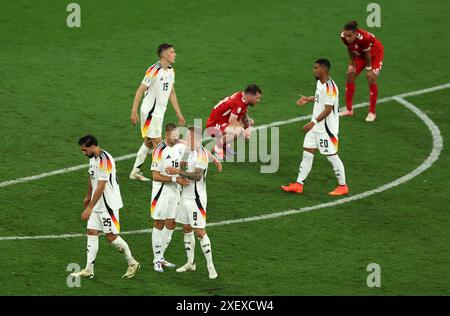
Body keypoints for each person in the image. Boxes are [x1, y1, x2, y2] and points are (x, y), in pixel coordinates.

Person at [71, 135, 140, 279]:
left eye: (84, 150)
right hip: (97, 203)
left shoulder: (105, 160)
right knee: (91, 232)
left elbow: (101, 186)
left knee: (111, 237)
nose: (83, 153)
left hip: (108, 205)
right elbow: (92, 177)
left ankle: (132, 263)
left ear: (92, 147)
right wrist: (87, 196)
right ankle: (89, 269)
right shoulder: (93, 159)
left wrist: (89, 208)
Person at [281, 59, 349, 196]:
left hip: (326, 130)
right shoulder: (320, 83)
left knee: (332, 156)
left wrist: (313, 122)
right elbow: (319, 97)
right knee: (307, 153)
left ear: (324, 69)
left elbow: (328, 109)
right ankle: (299, 184)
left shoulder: (331, 88)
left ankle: (343, 186)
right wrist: (308, 99)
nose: (314, 70)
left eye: (316, 68)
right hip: (316, 128)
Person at [166, 127, 218, 279]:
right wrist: (181, 173)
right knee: (187, 228)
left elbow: (197, 176)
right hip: (184, 197)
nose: (187, 140)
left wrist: (178, 173)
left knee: (200, 232)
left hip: (196, 199)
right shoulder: (188, 151)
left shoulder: (201, 154)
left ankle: (210, 266)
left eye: (190, 138)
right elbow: (183, 165)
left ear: (197, 139)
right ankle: (190, 263)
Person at [129, 43, 185, 181]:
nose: (175, 54)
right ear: (164, 55)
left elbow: (171, 92)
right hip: (150, 114)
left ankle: (135, 172)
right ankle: (166, 173)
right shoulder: (153, 70)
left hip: (159, 113)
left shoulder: (171, 70)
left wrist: (178, 112)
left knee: (148, 142)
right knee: (159, 144)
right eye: (172, 52)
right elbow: (140, 90)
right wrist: (134, 111)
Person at [149, 123, 189, 272]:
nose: (176, 139)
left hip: (175, 191)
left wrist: (182, 167)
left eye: (177, 136)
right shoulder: (159, 150)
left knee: (171, 223)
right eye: (173, 137)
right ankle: (156, 259)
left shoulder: (180, 147)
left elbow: (181, 164)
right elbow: (155, 175)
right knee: (159, 222)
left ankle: (161, 257)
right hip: (161, 192)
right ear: (166, 134)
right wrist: (175, 179)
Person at [340, 21, 384, 122]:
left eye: (350, 36)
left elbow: (368, 54)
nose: (347, 38)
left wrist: (369, 70)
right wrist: (352, 65)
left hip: (375, 53)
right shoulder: (343, 36)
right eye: (346, 35)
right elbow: (350, 49)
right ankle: (349, 110)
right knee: (350, 75)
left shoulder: (365, 38)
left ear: (356, 33)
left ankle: (372, 112)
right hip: (360, 54)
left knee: (371, 78)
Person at [206, 84, 262, 159]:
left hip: (222, 121)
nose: (258, 101)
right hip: (213, 125)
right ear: (250, 95)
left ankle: (224, 145)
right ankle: (217, 148)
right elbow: (232, 120)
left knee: (250, 122)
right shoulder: (238, 102)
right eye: (257, 98)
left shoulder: (243, 97)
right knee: (238, 131)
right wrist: (243, 131)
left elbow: (244, 114)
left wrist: (248, 127)